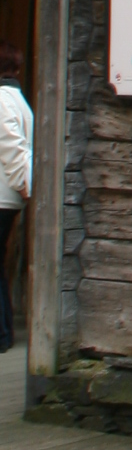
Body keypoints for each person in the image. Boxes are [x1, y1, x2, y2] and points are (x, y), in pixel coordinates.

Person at [0, 45, 32, 354]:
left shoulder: (1, 101)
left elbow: (11, 144)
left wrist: (25, 183)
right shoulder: (18, 101)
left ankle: (2, 334)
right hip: (9, 197)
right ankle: (5, 331)